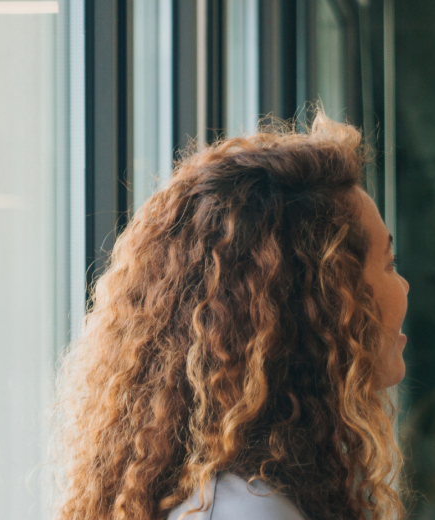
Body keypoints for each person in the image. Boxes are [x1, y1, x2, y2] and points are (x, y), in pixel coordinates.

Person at [53, 115, 410, 520]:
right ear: (326, 304)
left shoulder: (245, 494)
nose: (405, 287)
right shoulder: (252, 511)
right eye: (389, 264)